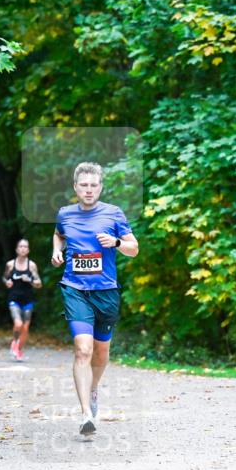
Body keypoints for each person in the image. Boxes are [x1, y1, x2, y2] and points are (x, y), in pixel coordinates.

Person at [52, 162, 139, 436]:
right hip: (75, 289)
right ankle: (85, 415)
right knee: (83, 350)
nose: (88, 190)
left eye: (93, 185)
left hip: (106, 292)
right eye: (84, 185)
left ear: (100, 187)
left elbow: (134, 248)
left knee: (101, 352)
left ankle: (93, 389)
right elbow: (58, 234)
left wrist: (116, 243)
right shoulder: (65, 214)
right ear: (75, 187)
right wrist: (56, 251)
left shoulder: (114, 213)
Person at [3, 239, 42, 361]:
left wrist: (30, 280)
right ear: (16, 249)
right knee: (18, 324)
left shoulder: (32, 265)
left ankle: (18, 349)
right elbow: (4, 278)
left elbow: (39, 283)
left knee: (25, 328)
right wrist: (7, 282)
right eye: (20, 246)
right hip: (14, 298)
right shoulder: (10, 264)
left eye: (25, 246)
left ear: (28, 250)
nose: (23, 249)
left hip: (28, 299)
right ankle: (15, 342)